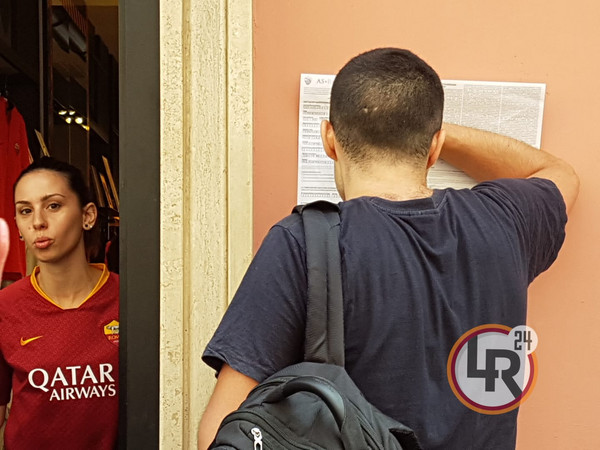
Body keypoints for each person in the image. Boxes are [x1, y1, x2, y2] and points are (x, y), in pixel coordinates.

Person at [197, 48, 579, 449]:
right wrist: (425, 130)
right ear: (435, 147)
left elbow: (222, 431)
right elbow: (559, 174)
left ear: (329, 139)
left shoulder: (303, 243)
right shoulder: (506, 220)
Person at [0, 157, 119, 449]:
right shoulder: (5, 307)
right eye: (25, 211)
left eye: (53, 206)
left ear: (87, 216)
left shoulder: (128, 299)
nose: (38, 222)